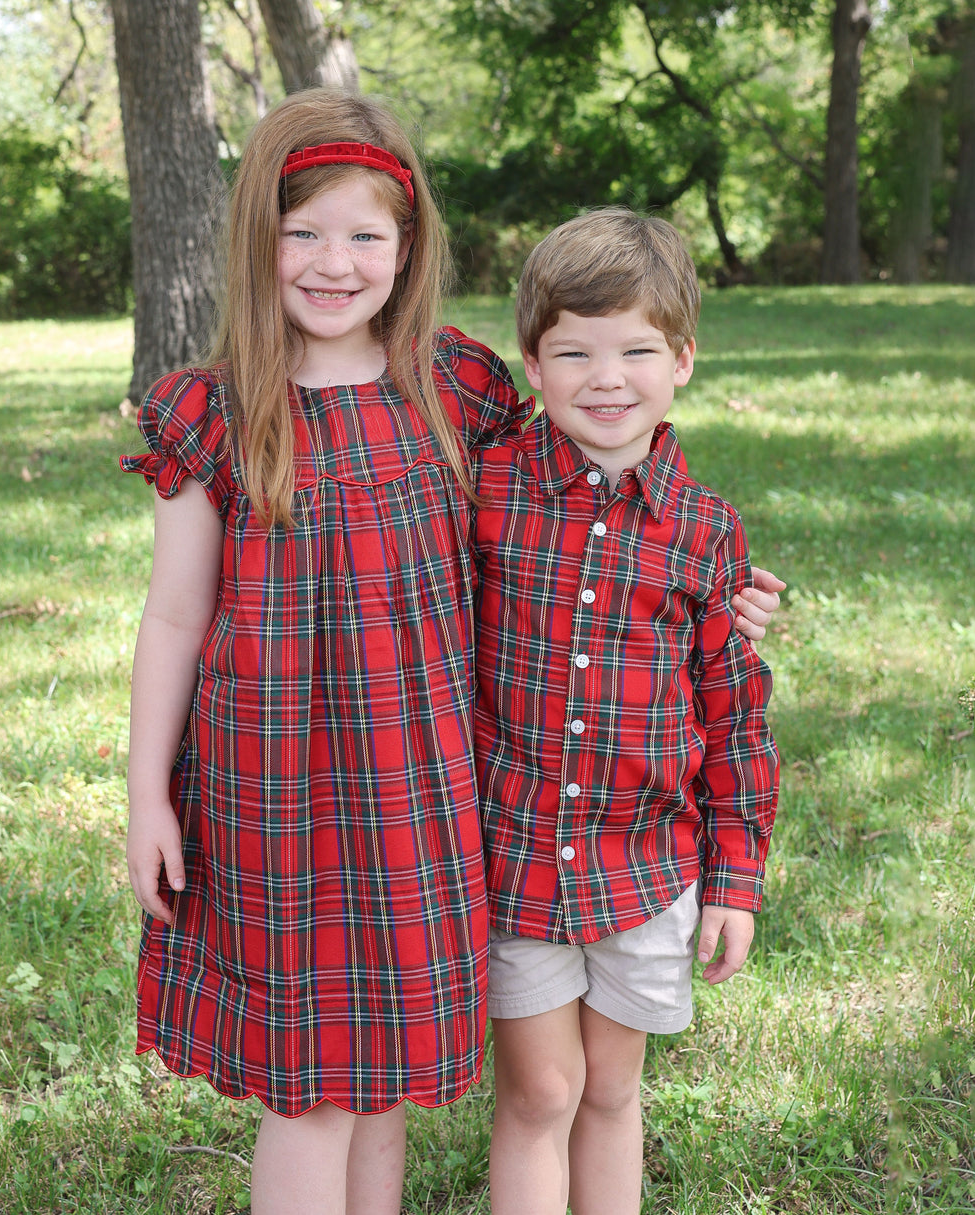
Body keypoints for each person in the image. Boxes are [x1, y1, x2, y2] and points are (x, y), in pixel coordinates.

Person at [121, 87, 781, 1213]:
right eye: (304, 232)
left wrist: (711, 595)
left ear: (407, 245)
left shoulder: (456, 387)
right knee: (310, 1088)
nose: (335, 262)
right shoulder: (219, 409)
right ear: (257, 240)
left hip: (424, 789)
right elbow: (175, 614)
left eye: (364, 234)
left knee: (378, 1077)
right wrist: (145, 792)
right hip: (275, 788)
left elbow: (577, 494)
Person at [471, 208, 781, 1215]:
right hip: (514, 853)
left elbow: (734, 718)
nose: (606, 377)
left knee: (608, 1089)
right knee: (541, 1090)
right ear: (531, 361)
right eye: (573, 351)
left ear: (681, 358)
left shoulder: (704, 533)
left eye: (635, 350)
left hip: (643, 866)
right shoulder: (485, 494)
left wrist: (733, 880)